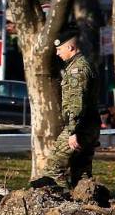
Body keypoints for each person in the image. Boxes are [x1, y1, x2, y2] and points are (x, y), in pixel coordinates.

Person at [36, 25, 101, 188]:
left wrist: (73, 131)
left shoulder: (76, 70)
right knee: (82, 171)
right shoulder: (85, 64)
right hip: (90, 125)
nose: (57, 53)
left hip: (79, 127)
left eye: (59, 49)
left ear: (70, 47)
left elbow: (76, 103)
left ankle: (62, 203)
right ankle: (87, 204)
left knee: (53, 168)